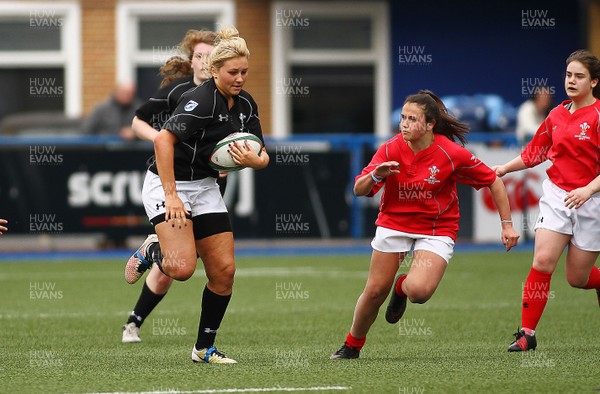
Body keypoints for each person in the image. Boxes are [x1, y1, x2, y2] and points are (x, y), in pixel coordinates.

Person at [330, 90, 520, 360]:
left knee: (419, 292)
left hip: (437, 227)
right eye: (403, 118)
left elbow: (493, 180)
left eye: (412, 119)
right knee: (374, 291)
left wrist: (507, 225)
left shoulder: (451, 152)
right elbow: (359, 190)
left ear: (430, 124)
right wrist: (375, 174)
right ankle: (352, 345)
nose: (404, 124)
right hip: (394, 222)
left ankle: (401, 288)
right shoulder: (389, 148)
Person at [125, 26, 269, 364]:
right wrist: (172, 196)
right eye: (233, 72)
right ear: (215, 71)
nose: (239, 78)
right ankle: (153, 248)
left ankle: (203, 349)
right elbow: (162, 140)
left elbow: (263, 153)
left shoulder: (246, 103)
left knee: (224, 272)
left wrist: (254, 161)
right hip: (167, 182)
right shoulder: (201, 100)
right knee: (181, 268)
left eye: (244, 71)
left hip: (204, 186)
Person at [494, 49, 600, 352]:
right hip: (557, 195)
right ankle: (527, 334)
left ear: (593, 82)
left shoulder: (598, 116)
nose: (572, 80)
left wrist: (589, 191)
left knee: (578, 278)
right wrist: (503, 168)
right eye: (568, 74)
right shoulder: (555, 115)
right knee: (542, 260)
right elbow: (534, 153)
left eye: (579, 76)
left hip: (591, 201)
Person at [122, 29, 217, 344]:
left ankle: (133, 321)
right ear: (191, 61)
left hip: (209, 185)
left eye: (211, 56)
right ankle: (134, 322)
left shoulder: (227, 95)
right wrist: (163, 140)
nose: (204, 61)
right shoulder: (178, 91)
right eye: (199, 55)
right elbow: (137, 121)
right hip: (173, 184)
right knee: (179, 265)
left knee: (177, 266)